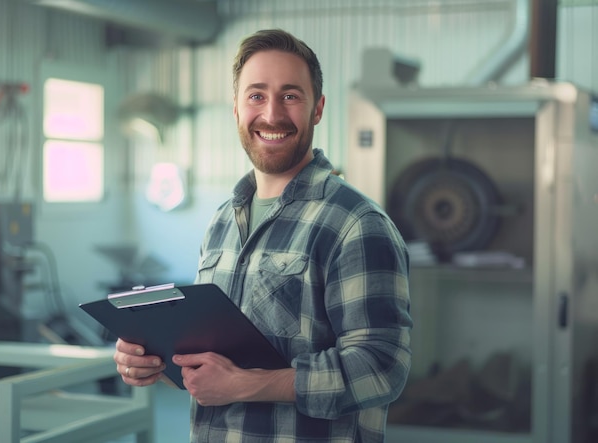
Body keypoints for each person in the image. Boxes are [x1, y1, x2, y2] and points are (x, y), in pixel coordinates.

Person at [114, 28, 412, 443]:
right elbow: (211, 367)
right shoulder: (221, 222)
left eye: (290, 95)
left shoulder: (355, 223)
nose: (271, 114)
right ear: (236, 109)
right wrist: (155, 361)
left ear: (318, 109)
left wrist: (247, 384)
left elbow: (382, 368)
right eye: (256, 95)